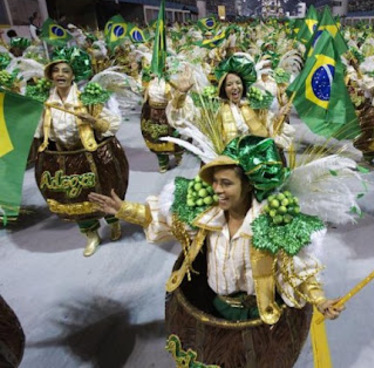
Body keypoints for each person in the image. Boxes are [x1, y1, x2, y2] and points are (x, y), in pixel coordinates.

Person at [89, 136, 343, 324]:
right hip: (217, 306)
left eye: (226, 183)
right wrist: (124, 210)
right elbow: (162, 219)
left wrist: (320, 300)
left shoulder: (272, 226)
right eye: (214, 183)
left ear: (248, 186)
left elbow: (300, 267)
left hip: (258, 312)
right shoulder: (206, 217)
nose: (217, 190)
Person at [34, 48, 127, 256]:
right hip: (63, 160)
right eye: (56, 71)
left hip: (91, 156)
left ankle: (114, 223)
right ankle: (92, 236)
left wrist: (93, 121)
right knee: (75, 200)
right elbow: (39, 132)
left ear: (72, 75)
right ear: (51, 76)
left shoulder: (86, 99)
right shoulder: (46, 105)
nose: (60, 74)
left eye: (65, 71)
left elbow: (112, 124)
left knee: (105, 192)